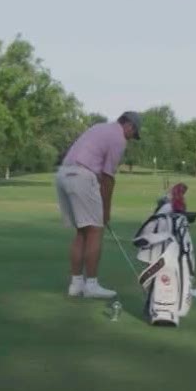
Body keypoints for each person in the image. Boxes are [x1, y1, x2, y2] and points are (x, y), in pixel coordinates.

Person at [55, 111, 144, 299]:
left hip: (63, 174)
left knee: (82, 231)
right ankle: (92, 285)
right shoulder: (119, 138)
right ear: (128, 126)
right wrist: (106, 210)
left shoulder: (99, 127)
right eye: (133, 133)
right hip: (82, 177)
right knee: (96, 230)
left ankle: (76, 284)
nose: (131, 138)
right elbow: (108, 178)